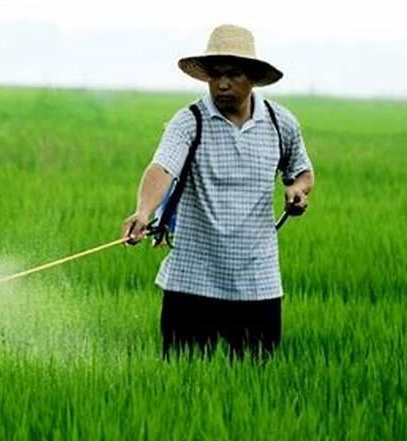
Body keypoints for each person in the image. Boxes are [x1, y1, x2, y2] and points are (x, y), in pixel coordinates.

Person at [121, 24, 315, 360]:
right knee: (183, 385)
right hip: (192, 281)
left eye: (233, 74)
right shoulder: (189, 122)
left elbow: (301, 172)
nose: (222, 84)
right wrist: (143, 211)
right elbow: (161, 168)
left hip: (258, 281)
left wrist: (298, 191)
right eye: (215, 75)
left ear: (252, 77)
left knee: (257, 387)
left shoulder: (280, 122)